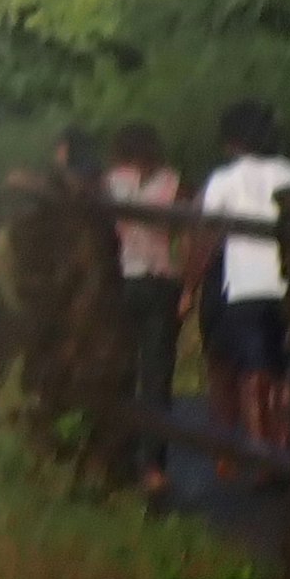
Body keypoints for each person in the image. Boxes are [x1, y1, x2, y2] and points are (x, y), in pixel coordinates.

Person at [186, 101, 290, 457]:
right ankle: (287, 443)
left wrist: (190, 287)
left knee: (255, 373)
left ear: (233, 141)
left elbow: (206, 237)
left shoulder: (224, 181)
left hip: (246, 288)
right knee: (289, 370)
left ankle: (259, 450)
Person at [104, 119, 185, 424]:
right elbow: (183, 234)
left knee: (122, 364)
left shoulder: (113, 182)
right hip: (161, 278)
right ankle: (153, 461)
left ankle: (123, 446)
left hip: (125, 278)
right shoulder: (172, 182)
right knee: (157, 370)